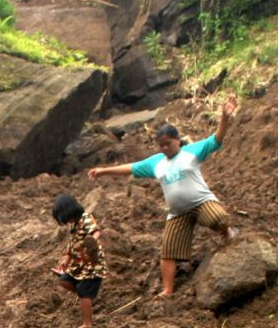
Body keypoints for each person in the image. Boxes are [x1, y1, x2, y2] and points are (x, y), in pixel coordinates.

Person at [88, 96, 240, 297]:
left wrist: (224, 117)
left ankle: (227, 232)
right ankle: (168, 289)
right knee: (168, 251)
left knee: (218, 218)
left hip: (202, 202)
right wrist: (104, 171)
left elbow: (216, 139)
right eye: (161, 145)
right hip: (178, 213)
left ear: (177, 140)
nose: (165, 148)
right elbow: (131, 168)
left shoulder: (191, 152)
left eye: (168, 144)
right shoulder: (156, 162)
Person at [49, 193, 106, 328]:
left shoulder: (86, 218)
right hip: (78, 265)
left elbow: (96, 231)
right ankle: (88, 297)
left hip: (91, 264)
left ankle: (88, 323)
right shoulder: (74, 225)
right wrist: (66, 259)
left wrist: (93, 240)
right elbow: (72, 245)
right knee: (64, 281)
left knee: (84, 292)